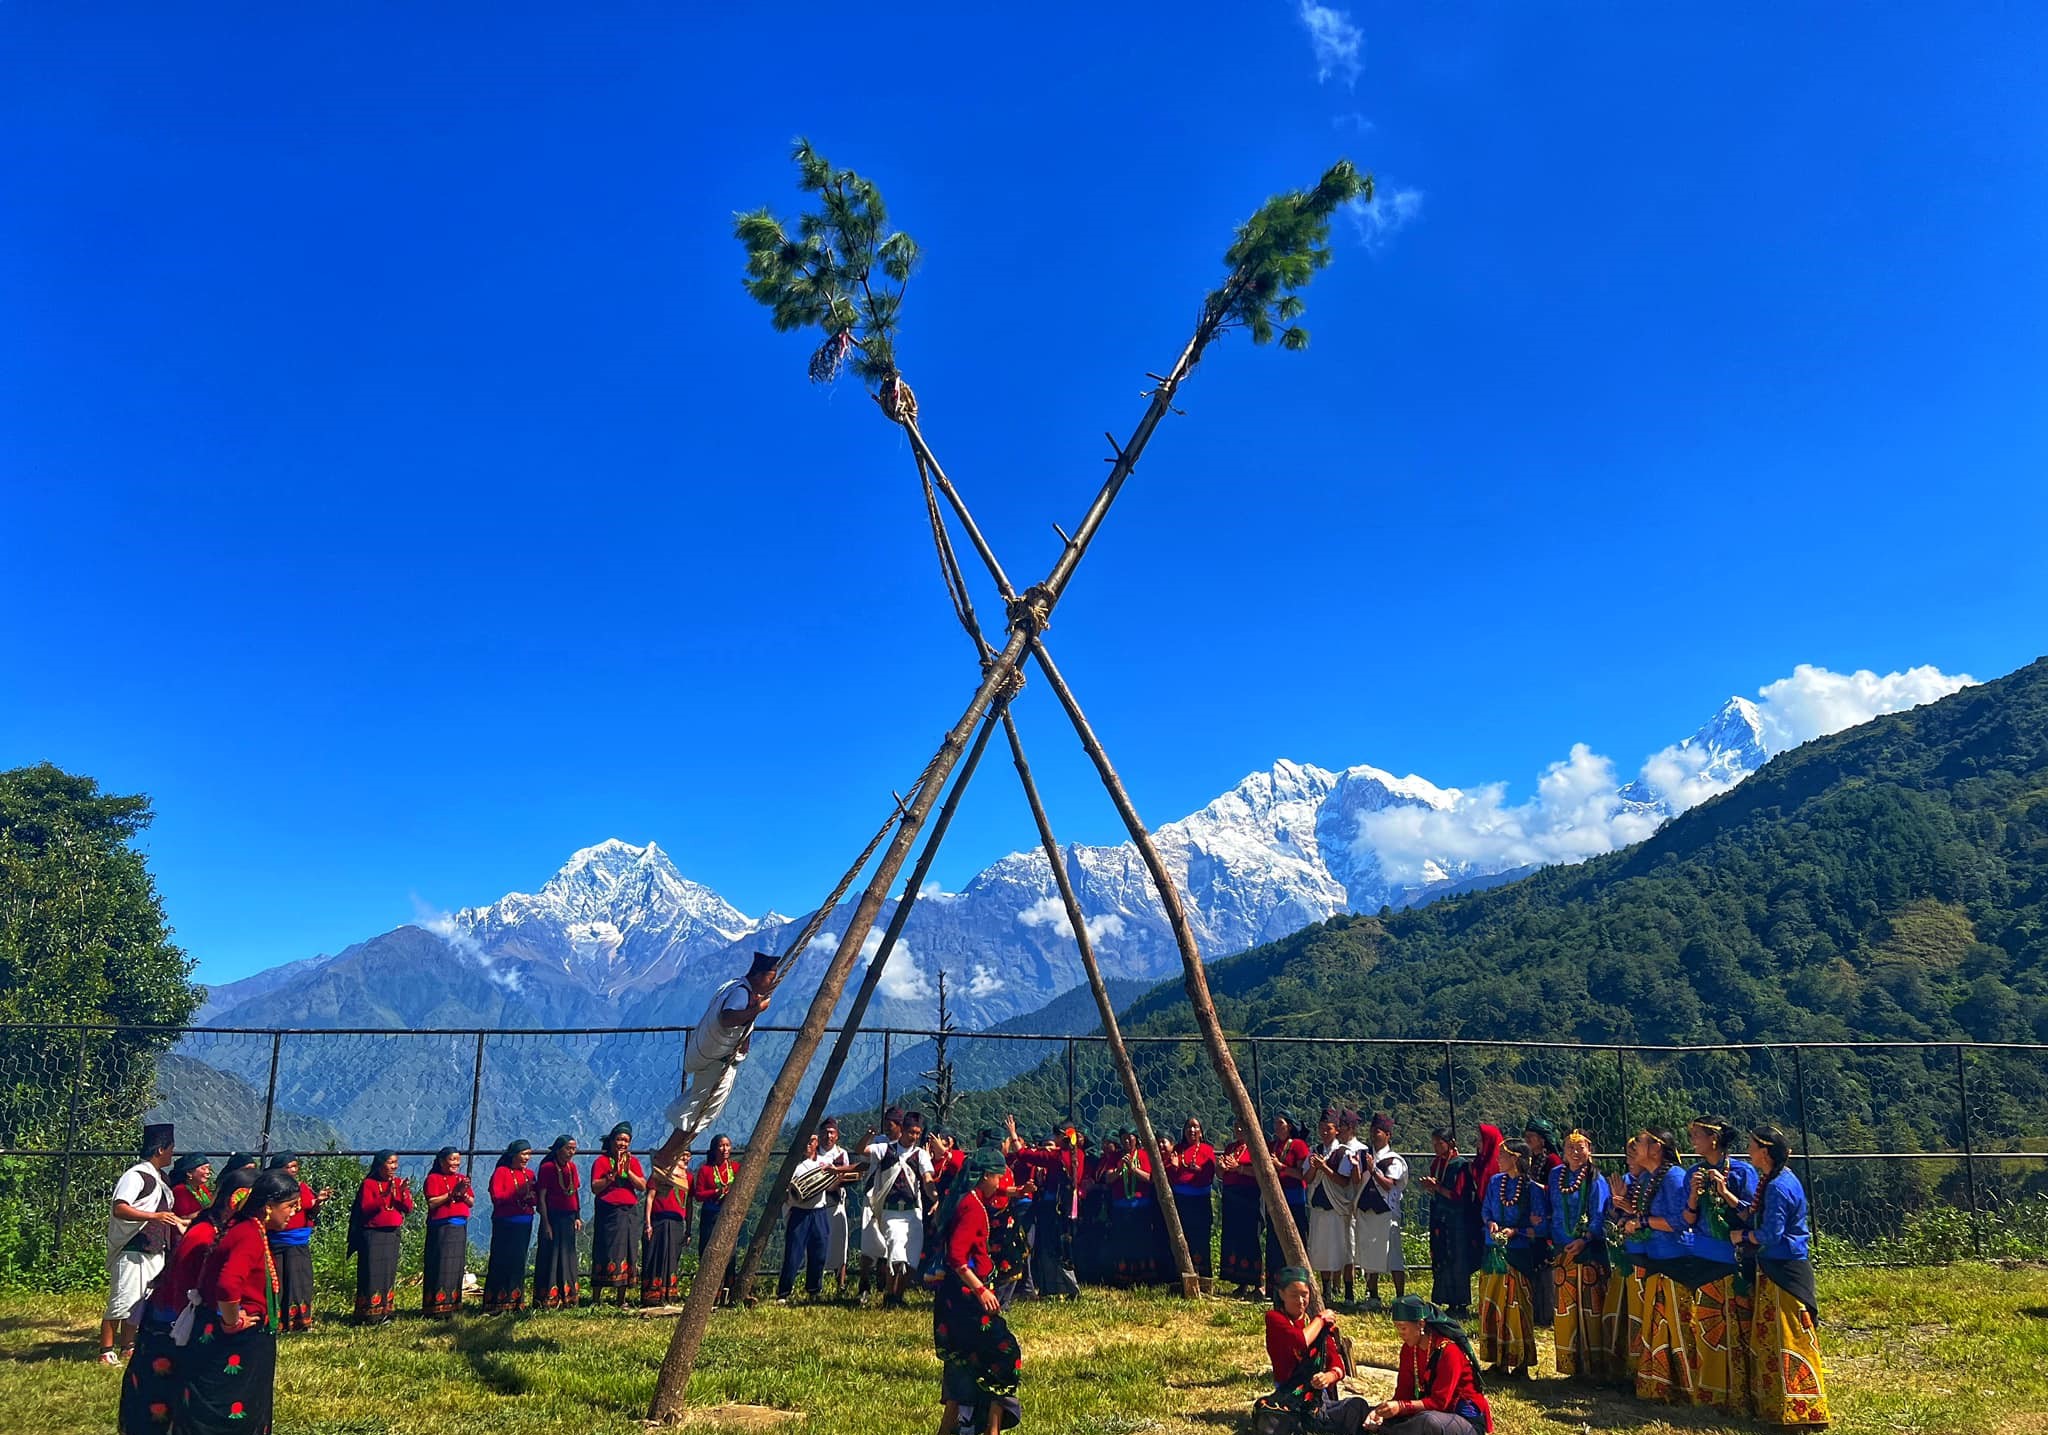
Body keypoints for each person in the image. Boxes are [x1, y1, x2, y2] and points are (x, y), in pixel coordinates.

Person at [119, 1164, 256, 1435]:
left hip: (179, 1320)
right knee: (163, 1397)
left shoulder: (216, 1229)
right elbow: (185, 1286)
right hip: (171, 1325)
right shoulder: (205, 1235)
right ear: (238, 1199)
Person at [178, 1168, 299, 1435]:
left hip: (224, 1332)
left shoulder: (245, 1227)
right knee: (230, 1407)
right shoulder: (249, 1234)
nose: (293, 1213)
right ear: (268, 1207)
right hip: (235, 1339)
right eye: (289, 1206)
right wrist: (232, 1321)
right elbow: (228, 1283)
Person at [649, 951, 781, 1189]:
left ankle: (671, 1156)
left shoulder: (735, 986)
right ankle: (666, 1156)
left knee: (698, 1107)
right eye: (771, 976)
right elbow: (728, 1018)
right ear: (760, 975)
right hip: (719, 1062)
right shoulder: (741, 994)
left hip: (713, 1059)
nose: (773, 982)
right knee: (701, 1112)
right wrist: (756, 1010)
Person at [1738, 1125, 1830, 1426]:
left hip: (1785, 1267)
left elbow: (1771, 1234)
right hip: (1774, 1267)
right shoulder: (1773, 1179)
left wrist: (1743, 1236)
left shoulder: (1778, 1186)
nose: (1748, 1151)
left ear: (1764, 1152)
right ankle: (1777, 1406)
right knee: (1772, 1338)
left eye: (1752, 1146)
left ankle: (1801, 1411)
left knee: (1790, 1339)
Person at [933, 1147, 1024, 1434]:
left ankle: (956, 1425)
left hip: (953, 1300)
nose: (1001, 1182)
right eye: (998, 1176)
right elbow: (958, 1257)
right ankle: (991, 1427)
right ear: (986, 1176)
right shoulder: (971, 1207)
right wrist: (981, 1290)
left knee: (967, 1358)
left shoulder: (963, 1199)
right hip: (968, 1301)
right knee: (1005, 1354)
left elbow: (1000, 1197)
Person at [1682, 1114, 1760, 1414]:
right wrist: (1693, 1193)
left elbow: (1751, 1215)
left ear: (1713, 1139)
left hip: (1733, 1258)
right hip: (1703, 1256)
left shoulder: (1741, 1171)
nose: (1693, 1141)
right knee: (1706, 1327)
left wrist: (1725, 1192)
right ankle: (1710, 1393)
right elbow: (1687, 1219)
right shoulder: (1694, 1172)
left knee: (1735, 1328)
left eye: (1697, 1135)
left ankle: (1739, 1394)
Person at [103, 1122, 184, 1365]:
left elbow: (165, 1212)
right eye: (170, 1149)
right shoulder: (136, 1176)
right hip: (134, 1247)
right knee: (123, 1299)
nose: (172, 1154)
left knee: (141, 1302)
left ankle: (129, 1345)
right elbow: (120, 1208)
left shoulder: (162, 1179)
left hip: (154, 1248)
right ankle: (106, 1350)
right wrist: (154, 1217)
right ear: (160, 1150)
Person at [1627, 1127, 1697, 1405]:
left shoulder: (1674, 1177)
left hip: (1676, 1261)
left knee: (1679, 1326)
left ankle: (1687, 1387)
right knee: (1658, 1325)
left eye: (1641, 1143)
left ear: (1656, 1149)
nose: (1635, 1148)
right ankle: (1661, 1384)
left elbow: (1680, 1220)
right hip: (1656, 1259)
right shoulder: (1649, 1178)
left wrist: (1641, 1223)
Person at [1261, 1265, 1369, 1434]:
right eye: (1293, 1295)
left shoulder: (1317, 1327)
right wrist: (1320, 1318)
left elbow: (1338, 1365)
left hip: (1318, 1398)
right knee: (1271, 1417)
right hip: (1289, 1396)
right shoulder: (1275, 1319)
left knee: (1358, 1406)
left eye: (1304, 1295)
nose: (1300, 1301)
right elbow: (1301, 1341)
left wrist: (1328, 1377)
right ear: (1281, 1294)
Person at [1374, 1294, 1494, 1434]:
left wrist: (1400, 1406)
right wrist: (1382, 1412)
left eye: (1403, 1328)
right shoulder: (1408, 1349)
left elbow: (1440, 1403)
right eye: (1397, 1328)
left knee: (1428, 1422)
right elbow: (1403, 1392)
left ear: (1421, 1324)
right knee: (1366, 1411)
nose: (1400, 1334)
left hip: (1463, 1418)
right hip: (1427, 1413)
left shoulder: (1449, 1351)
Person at [1475, 1139, 1543, 1379]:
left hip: (1518, 1255)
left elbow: (1540, 1225)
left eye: (1503, 1156)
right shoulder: (1495, 1183)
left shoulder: (1533, 1190)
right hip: (1494, 1252)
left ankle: (1521, 1361)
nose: (1498, 1159)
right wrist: (1490, 1223)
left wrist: (1517, 1232)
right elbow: (1485, 1210)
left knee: (1518, 1307)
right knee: (1493, 1304)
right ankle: (1499, 1360)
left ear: (1515, 1158)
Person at [1547, 1130, 1610, 1380]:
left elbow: (1599, 1215)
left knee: (1588, 1308)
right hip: (1563, 1250)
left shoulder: (1596, 1180)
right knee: (1565, 1309)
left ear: (1589, 1150)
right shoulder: (1555, 1176)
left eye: (1580, 1148)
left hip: (1586, 1251)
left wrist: (1585, 1240)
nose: (1575, 1152)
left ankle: (1592, 1365)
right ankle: (1571, 1364)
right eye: (1570, 1148)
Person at [862, 1111, 934, 1308]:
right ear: (902, 1130)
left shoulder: (921, 1155)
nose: (915, 1137)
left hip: (913, 1212)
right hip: (891, 1211)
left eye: (918, 1133)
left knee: (911, 1258)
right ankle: (889, 1294)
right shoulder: (885, 1149)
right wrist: (868, 1136)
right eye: (912, 1132)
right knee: (896, 1252)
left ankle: (897, 1296)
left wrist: (935, 1196)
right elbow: (862, 1150)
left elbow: (927, 1179)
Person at [1599, 1135, 1651, 1387]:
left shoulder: (1653, 1182)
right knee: (1618, 1311)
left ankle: (1639, 1369)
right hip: (1624, 1256)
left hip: (1644, 1258)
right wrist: (1617, 1205)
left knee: (1639, 1316)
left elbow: (1648, 1216)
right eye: (1627, 1156)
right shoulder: (1627, 1181)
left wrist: (1629, 1210)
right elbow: (1613, 1214)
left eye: (1633, 1155)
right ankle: (1617, 1368)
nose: (1629, 1161)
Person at [1011, 1125, 1083, 1301]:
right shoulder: (1078, 1155)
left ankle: (1061, 1288)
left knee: (1051, 1248)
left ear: (1060, 1138)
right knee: (1064, 1248)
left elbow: (1024, 1154)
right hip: (1068, 1208)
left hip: (1053, 1207)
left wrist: (1013, 1134)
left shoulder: (1056, 1157)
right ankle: (1063, 1288)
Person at [262, 1154, 328, 1333]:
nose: (293, 1170)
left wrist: (318, 1202)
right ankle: (278, 1322)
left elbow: (310, 1213)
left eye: (295, 1166)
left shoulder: (302, 1188)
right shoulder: (272, 1188)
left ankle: (299, 1321)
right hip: (277, 1241)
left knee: (300, 1281)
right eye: (289, 1166)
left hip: (298, 1242)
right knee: (279, 1281)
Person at [347, 1151, 413, 1323]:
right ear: (380, 1164)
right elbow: (365, 1209)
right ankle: (369, 1313)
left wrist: (403, 1192)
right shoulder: (369, 1184)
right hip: (373, 1234)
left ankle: (386, 1310)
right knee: (372, 1273)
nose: (394, 1167)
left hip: (392, 1234)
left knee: (388, 1272)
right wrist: (384, 1196)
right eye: (390, 1163)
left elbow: (408, 1208)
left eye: (396, 1163)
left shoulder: (397, 1183)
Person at [1304, 1109, 1360, 1304]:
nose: (1324, 1133)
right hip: (1320, 1208)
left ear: (1337, 1130)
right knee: (1322, 1252)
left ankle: (1348, 1293)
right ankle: (1326, 1291)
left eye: (1328, 1129)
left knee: (1344, 1251)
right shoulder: (1315, 1150)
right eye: (1321, 1129)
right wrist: (1314, 1166)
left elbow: (1343, 1181)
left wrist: (1324, 1167)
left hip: (1338, 1209)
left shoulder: (1344, 1152)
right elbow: (1307, 1178)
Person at [1420, 1128, 1476, 1318]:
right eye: (1434, 1143)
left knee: (1457, 1259)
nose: (1435, 1147)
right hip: (1440, 1218)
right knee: (1442, 1257)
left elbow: (1458, 1195)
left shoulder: (1460, 1165)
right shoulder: (1437, 1163)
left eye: (1439, 1143)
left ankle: (1460, 1303)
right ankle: (1446, 1298)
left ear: (1449, 1143)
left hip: (1456, 1220)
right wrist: (1432, 1188)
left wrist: (1436, 1187)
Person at [590, 1122, 645, 1306]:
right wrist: (610, 1177)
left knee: (628, 1251)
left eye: (626, 1141)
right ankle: (596, 1298)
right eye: (619, 1139)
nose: (622, 1144)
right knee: (605, 1250)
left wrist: (627, 1171)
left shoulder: (633, 1162)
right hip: (609, 1212)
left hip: (629, 1213)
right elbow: (594, 1187)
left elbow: (642, 1186)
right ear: (612, 1141)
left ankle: (621, 1299)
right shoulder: (601, 1162)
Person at [1357, 1111, 1408, 1308]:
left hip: (1387, 1212)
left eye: (1378, 1131)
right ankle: (1373, 1296)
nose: (1373, 1134)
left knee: (1393, 1255)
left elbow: (1389, 1184)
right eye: (1372, 1130)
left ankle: (1400, 1297)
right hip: (1368, 1211)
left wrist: (1373, 1170)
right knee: (1370, 1254)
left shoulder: (1393, 1160)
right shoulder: (1365, 1156)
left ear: (1388, 1135)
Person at [777, 1130, 834, 1303]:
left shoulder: (825, 1163)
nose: (807, 1145)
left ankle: (814, 1289)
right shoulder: (794, 1166)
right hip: (800, 1213)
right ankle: (784, 1291)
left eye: (811, 1142)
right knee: (793, 1253)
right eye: (805, 1142)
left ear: (816, 1143)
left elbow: (833, 1183)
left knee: (819, 1251)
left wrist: (836, 1173)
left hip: (819, 1212)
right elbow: (786, 1192)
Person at [1105, 1129, 1167, 1286]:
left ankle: (1144, 1277)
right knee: (1123, 1241)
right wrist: (1120, 1169)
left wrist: (1133, 1169)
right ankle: (1123, 1277)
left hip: (1141, 1206)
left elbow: (1150, 1178)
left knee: (1142, 1241)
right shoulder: (1116, 1157)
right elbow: (1108, 1178)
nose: (1126, 1142)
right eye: (1123, 1139)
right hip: (1121, 1207)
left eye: (1129, 1138)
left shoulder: (1145, 1155)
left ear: (1136, 1139)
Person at [484, 1139, 537, 1314]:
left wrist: (530, 1198)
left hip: (524, 1222)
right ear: (514, 1155)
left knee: (518, 1261)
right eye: (524, 1154)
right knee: (502, 1259)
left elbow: (535, 1197)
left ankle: (515, 1302)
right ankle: (496, 1303)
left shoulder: (529, 1174)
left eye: (529, 1154)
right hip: (505, 1222)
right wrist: (520, 1194)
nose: (527, 1157)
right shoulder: (501, 1172)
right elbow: (497, 1196)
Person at [1519, 1118, 1563, 1328]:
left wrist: (1537, 1187)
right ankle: (1537, 1313)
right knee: (1535, 1265)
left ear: (1543, 1140)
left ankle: (1549, 1313)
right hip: (1532, 1219)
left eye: (1531, 1137)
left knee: (1547, 1266)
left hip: (1548, 1219)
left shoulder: (1553, 1161)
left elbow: (1556, 1191)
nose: (1527, 1140)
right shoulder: (1532, 1160)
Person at [421, 1147, 475, 1316]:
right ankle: (436, 1306)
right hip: (441, 1227)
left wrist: (463, 1194)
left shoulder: (461, 1179)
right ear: (442, 1161)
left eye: (458, 1160)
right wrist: (451, 1194)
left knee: (455, 1266)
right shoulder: (433, 1179)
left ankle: (453, 1304)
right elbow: (432, 1202)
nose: (456, 1163)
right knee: (440, 1265)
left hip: (459, 1226)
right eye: (452, 1160)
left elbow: (471, 1202)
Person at [1164, 1116, 1216, 1286]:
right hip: (1180, 1201)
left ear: (1201, 1131)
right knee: (1181, 1236)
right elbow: (1169, 1175)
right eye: (1188, 1127)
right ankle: (1180, 1274)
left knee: (1200, 1238)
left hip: (1200, 1202)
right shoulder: (1177, 1150)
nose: (1191, 1130)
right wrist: (1174, 1165)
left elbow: (1209, 1176)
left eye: (1195, 1127)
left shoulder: (1208, 1150)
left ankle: (1203, 1278)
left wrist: (1199, 1170)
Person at [1264, 1113, 1311, 1297]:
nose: (1277, 1127)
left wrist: (1280, 1166)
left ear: (1289, 1126)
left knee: (1295, 1240)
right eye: (1275, 1123)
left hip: (1294, 1199)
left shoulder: (1298, 1146)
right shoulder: (1272, 1145)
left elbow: (1302, 1174)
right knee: (1274, 1242)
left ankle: (1298, 1284)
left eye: (1280, 1123)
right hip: (1275, 1199)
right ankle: (1274, 1287)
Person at [1215, 1119, 1264, 1297]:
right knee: (1234, 1239)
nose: (1239, 1130)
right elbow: (1221, 1175)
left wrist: (1239, 1169)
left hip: (1249, 1197)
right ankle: (1240, 1282)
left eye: (1242, 1127)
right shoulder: (1230, 1148)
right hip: (1231, 1197)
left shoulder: (1256, 1148)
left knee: (1251, 1239)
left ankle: (1258, 1283)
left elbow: (1262, 1173)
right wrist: (1220, 1169)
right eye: (1236, 1127)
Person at [691, 1133, 741, 1306]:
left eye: (728, 1145)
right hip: (710, 1216)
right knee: (709, 1251)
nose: (725, 1149)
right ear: (714, 1149)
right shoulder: (705, 1170)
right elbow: (698, 1195)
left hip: (729, 1216)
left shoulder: (735, 1168)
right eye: (721, 1145)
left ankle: (727, 1294)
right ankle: (707, 1293)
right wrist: (717, 1192)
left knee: (730, 1253)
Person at [534, 1134, 583, 1310]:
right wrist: (546, 1223)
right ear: (558, 1149)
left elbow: (574, 1192)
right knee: (551, 1255)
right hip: (553, 1217)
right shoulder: (547, 1168)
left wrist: (577, 1216)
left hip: (569, 1217)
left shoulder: (572, 1168)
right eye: (568, 1148)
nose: (571, 1152)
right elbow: (542, 1197)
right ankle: (548, 1298)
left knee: (567, 1255)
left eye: (574, 1149)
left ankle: (568, 1297)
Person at [817, 1118, 859, 1295]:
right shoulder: (813, 1154)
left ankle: (840, 1284)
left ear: (837, 1135)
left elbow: (848, 1174)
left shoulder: (842, 1155)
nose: (828, 1135)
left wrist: (835, 1176)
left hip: (836, 1204)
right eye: (826, 1132)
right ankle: (815, 1282)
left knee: (840, 1244)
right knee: (817, 1244)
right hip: (816, 1205)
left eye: (832, 1132)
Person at [169, 1155, 213, 1220]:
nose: (207, 1172)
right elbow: (183, 1218)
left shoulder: (202, 1188)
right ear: (189, 1173)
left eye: (208, 1169)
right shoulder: (180, 1190)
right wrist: (208, 1211)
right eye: (203, 1169)